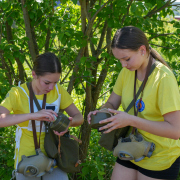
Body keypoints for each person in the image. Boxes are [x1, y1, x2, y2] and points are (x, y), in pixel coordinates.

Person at [87, 26, 180, 180]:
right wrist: (102, 112)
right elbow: (112, 103)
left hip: (160, 156)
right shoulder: (127, 71)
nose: (123, 65)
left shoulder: (164, 79)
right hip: (131, 146)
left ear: (142, 50)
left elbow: (175, 131)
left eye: (126, 59)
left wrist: (130, 120)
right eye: (120, 60)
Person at [0, 52, 84, 180]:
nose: (51, 87)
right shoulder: (18, 93)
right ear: (34, 74)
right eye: (47, 82)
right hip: (27, 160)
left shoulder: (59, 91)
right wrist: (32, 116)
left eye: (55, 82)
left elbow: (79, 117)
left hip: (54, 156)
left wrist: (68, 123)